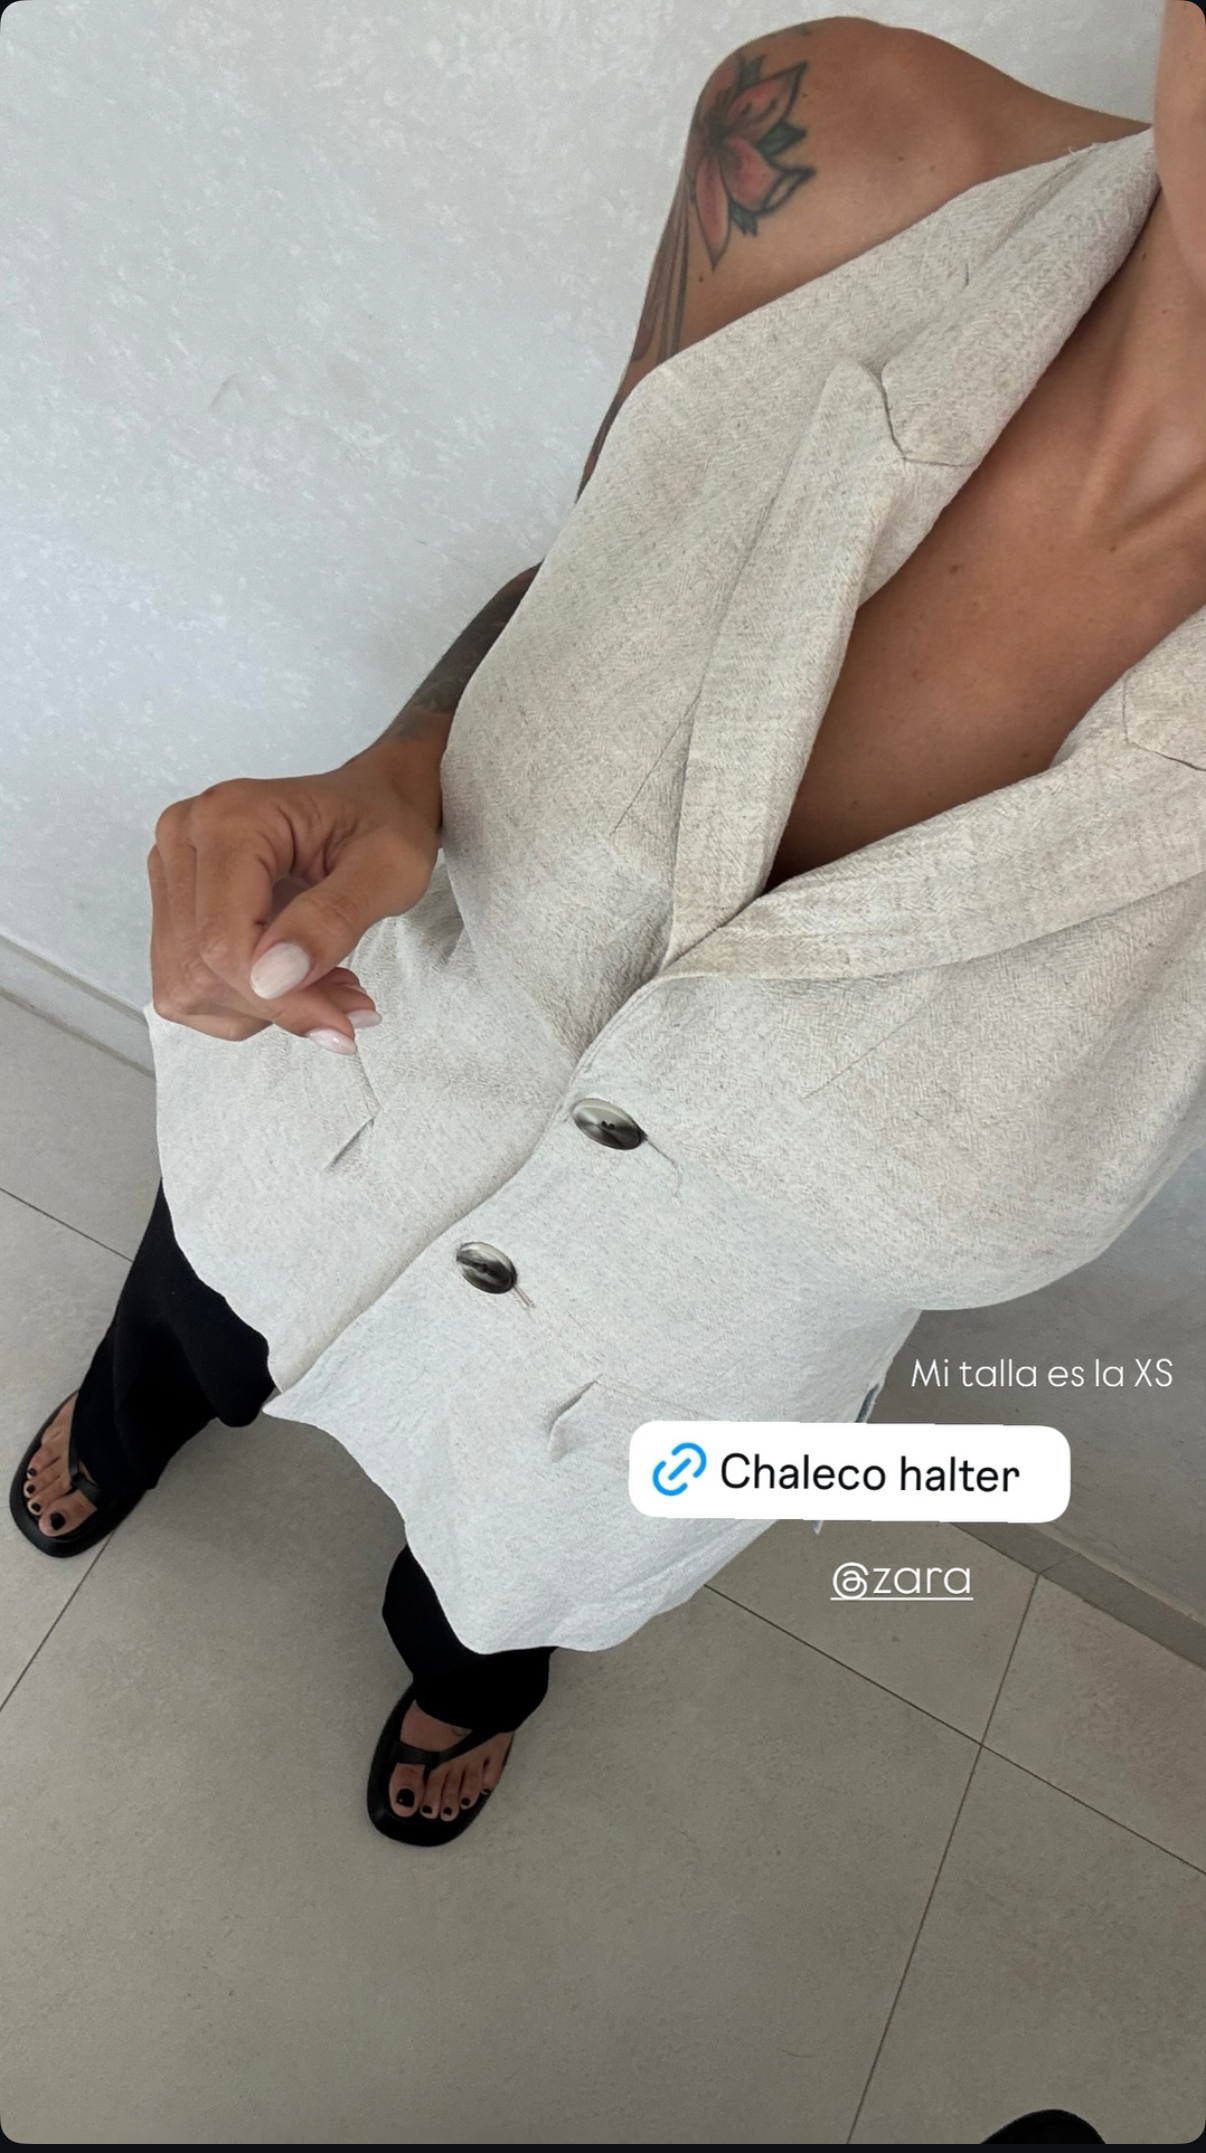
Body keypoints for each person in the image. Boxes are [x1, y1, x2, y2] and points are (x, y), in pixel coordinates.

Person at [11, 8, 1206, 1847]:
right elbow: (590, 567)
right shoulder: (827, 150)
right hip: (335, 1107)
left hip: (660, 1399)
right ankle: (130, 1408)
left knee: (505, 1589)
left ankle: (471, 1669)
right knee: (190, 1308)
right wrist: (404, 757)